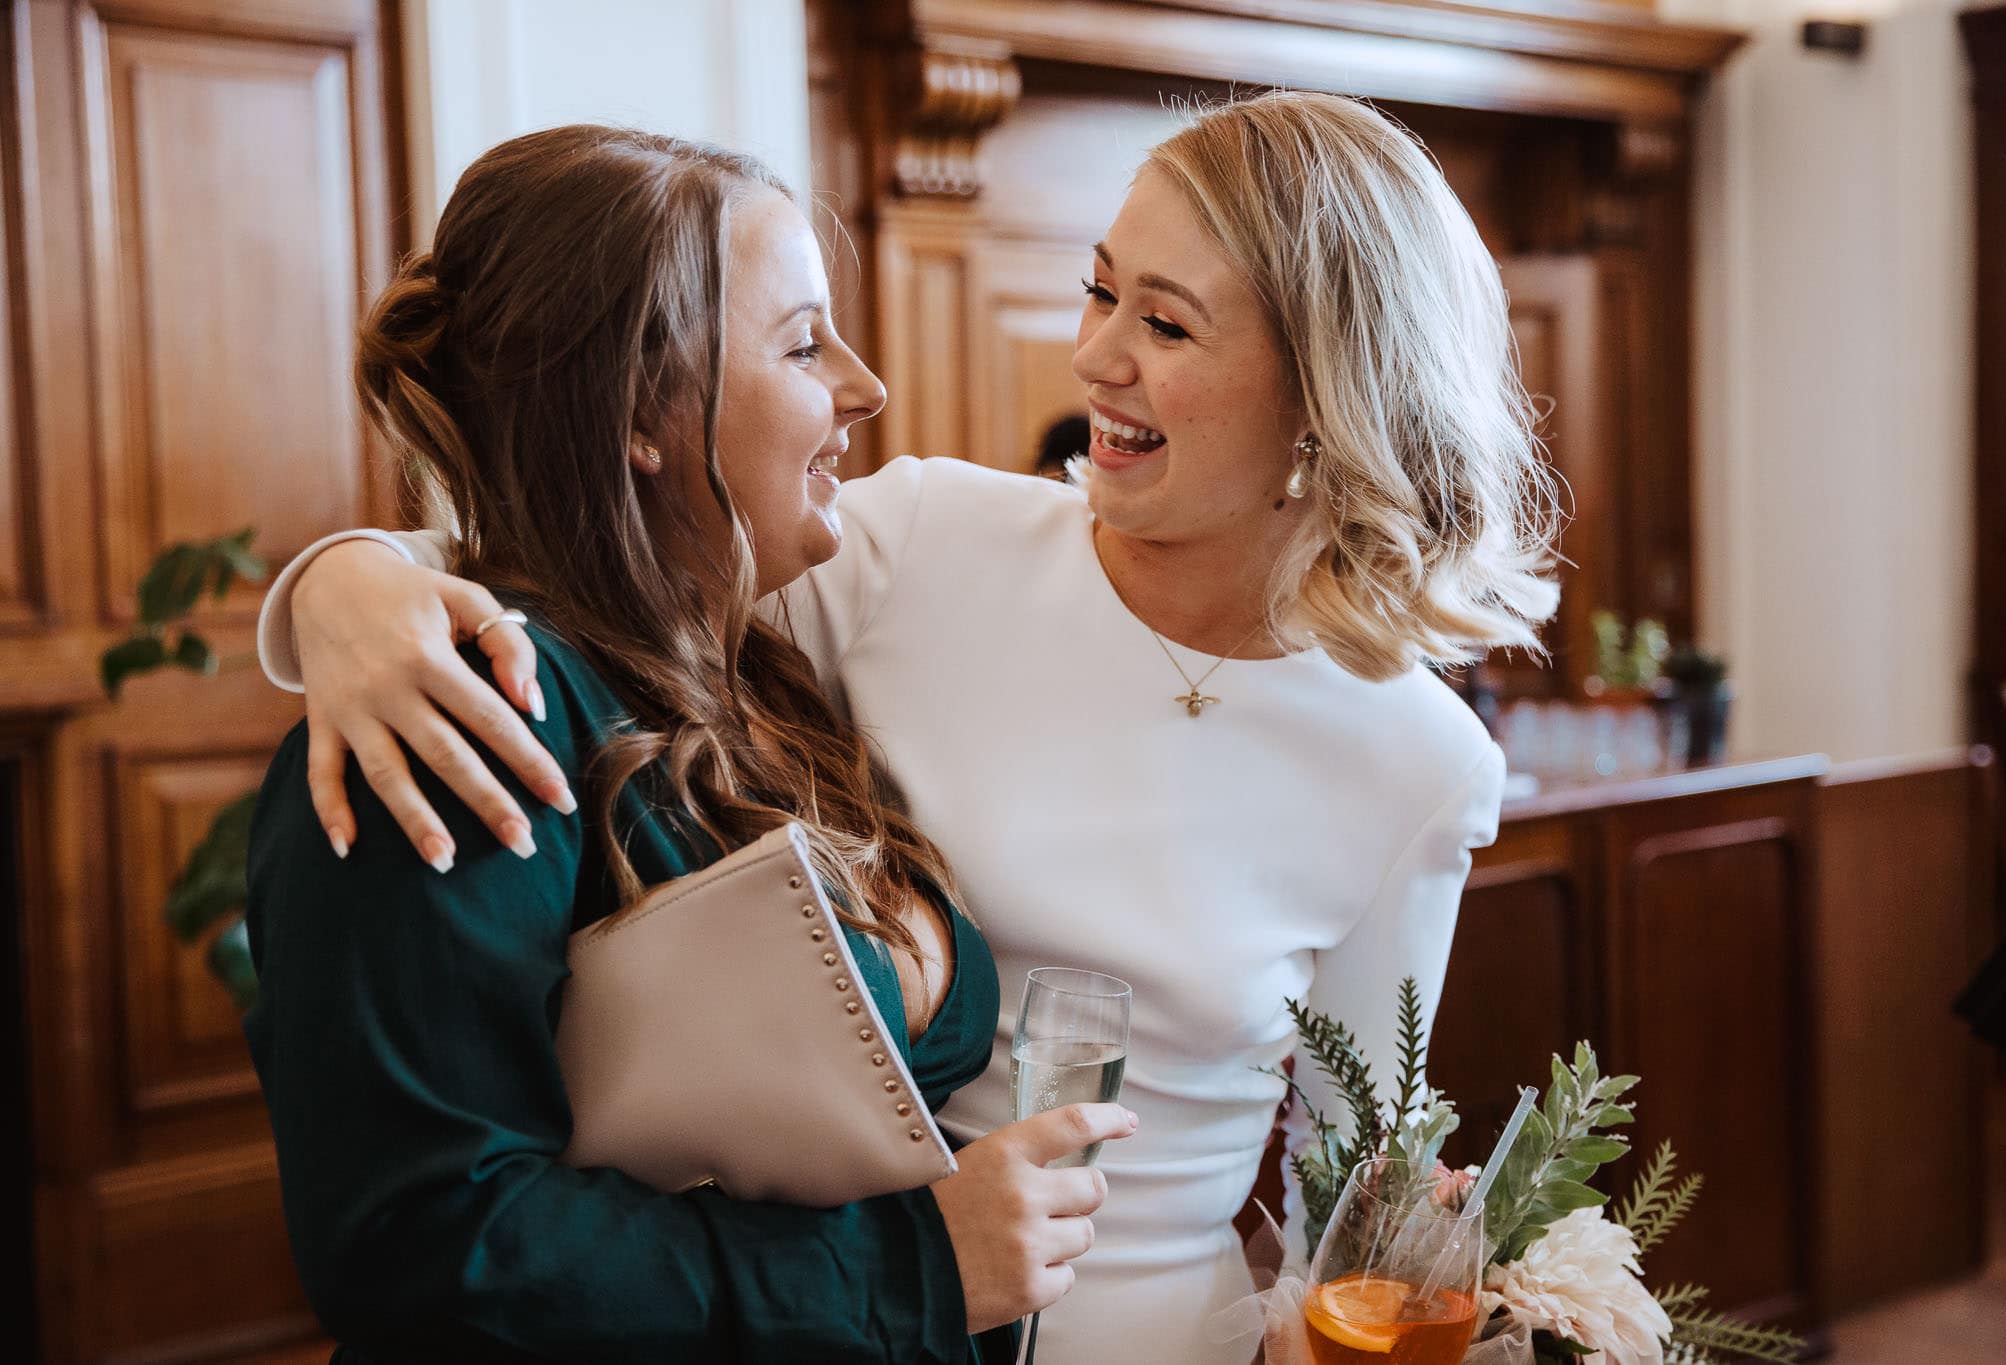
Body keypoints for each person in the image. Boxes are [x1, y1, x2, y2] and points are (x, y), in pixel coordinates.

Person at [257, 93, 1558, 1364]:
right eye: (1100, 292)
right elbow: (581, 560)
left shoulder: (1419, 765)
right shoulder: (921, 543)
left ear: (1326, 394)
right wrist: (340, 584)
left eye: (1162, 321)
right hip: (863, 1307)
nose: (1094, 356)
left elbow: (1350, 1195)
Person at [241, 124, 1136, 1365]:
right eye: (800, 343)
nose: (864, 389)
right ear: (638, 415)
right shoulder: (460, 723)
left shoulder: (767, 675)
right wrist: (912, 1268)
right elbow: (425, 1254)